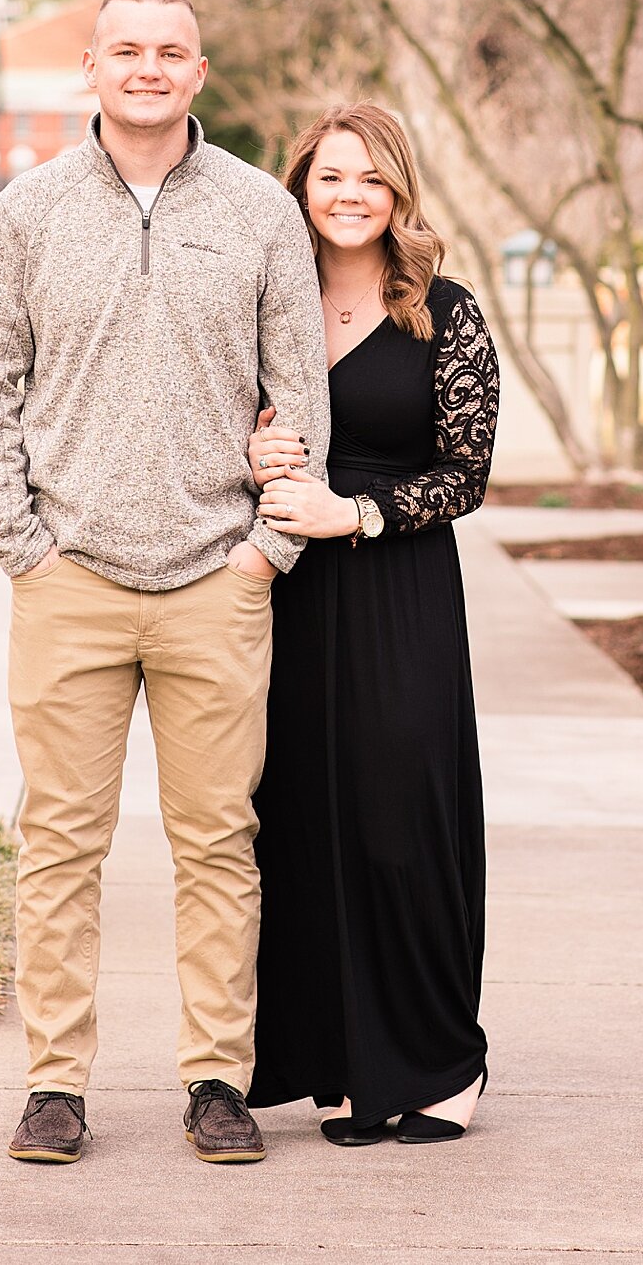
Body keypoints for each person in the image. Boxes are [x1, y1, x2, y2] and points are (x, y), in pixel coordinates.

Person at [0, 0, 330, 1169]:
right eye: (128, 50)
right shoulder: (29, 210)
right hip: (69, 580)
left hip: (216, 582)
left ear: (199, 72)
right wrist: (22, 543)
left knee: (217, 843)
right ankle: (55, 1083)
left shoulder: (264, 212)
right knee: (60, 844)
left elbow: (301, 390)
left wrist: (263, 553)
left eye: (170, 52)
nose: (149, 68)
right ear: (93, 67)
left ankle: (216, 1078)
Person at [245, 102, 500, 1145]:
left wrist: (358, 511)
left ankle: (441, 1064)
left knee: (403, 823)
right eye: (330, 176)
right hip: (289, 591)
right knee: (302, 822)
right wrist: (256, 460)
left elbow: (468, 472)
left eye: (371, 179)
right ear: (300, 186)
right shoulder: (269, 303)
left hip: (398, 590)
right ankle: (345, 1064)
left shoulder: (444, 310)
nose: (349, 195)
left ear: (399, 195)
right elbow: (221, 421)